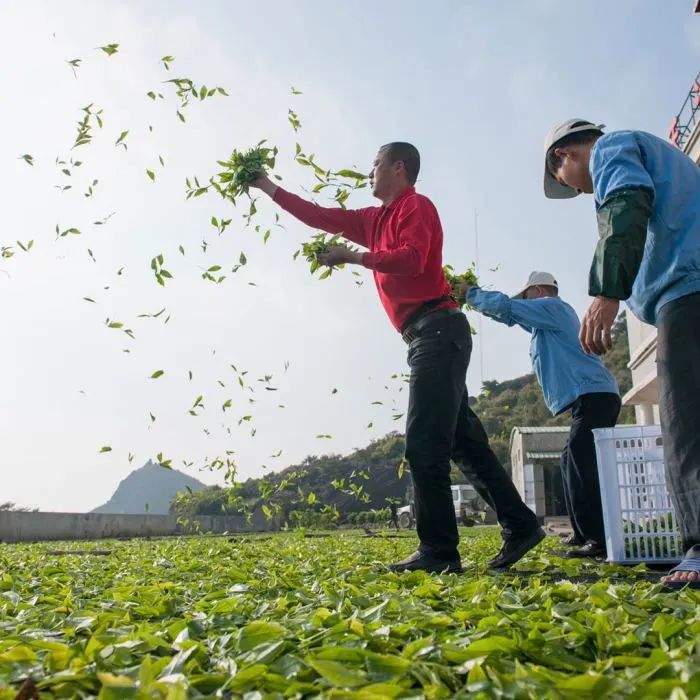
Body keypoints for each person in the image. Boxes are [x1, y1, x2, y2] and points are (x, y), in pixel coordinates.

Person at [251, 142, 544, 573]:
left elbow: (411, 260)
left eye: (375, 163)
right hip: (425, 337)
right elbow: (320, 216)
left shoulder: (416, 207)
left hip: (439, 331)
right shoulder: (373, 220)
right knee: (466, 444)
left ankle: (439, 552)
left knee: (424, 443)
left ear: (398, 167)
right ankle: (520, 524)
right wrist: (267, 187)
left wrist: (354, 258)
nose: (369, 171)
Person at [543, 118, 700, 587]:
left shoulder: (612, 148)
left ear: (563, 158)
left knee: (687, 423)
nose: (576, 190)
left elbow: (625, 205)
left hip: (687, 293)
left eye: (566, 185)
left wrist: (607, 292)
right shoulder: (661, 157)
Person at [455, 270, 620, 557]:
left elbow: (507, 307)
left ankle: (598, 539)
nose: (526, 302)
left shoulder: (553, 307)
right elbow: (510, 315)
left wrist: (470, 293)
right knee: (571, 460)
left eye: (527, 296)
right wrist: (482, 302)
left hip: (595, 396)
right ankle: (583, 534)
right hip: (590, 397)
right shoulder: (546, 320)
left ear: (540, 291)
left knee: (581, 463)